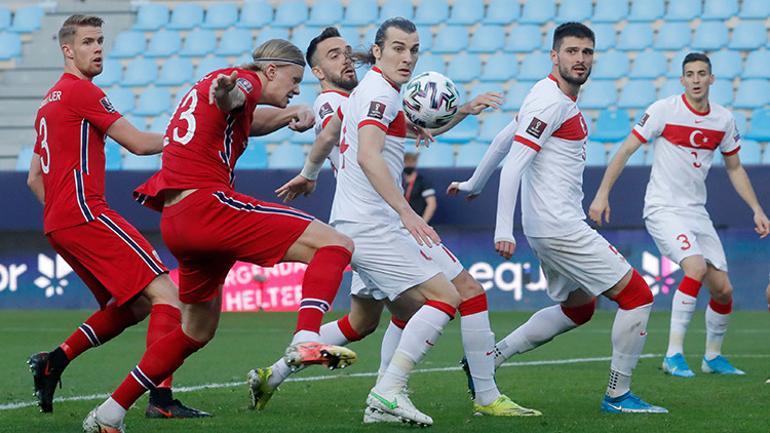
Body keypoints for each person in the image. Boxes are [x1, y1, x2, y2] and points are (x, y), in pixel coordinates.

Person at [273, 19, 539, 425]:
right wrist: (406, 210)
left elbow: (406, 130)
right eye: (398, 48)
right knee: (443, 299)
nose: (408, 57)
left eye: (413, 49)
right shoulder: (372, 94)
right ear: (378, 52)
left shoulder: (378, 93)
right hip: (373, 221)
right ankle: (388, 391)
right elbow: (365, 155)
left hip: (376, 218)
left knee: (454, 296)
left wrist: (463, 110)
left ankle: (470, 395)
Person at [83, 39, 356, 433]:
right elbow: (234, 95)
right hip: (208, 206)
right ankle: (306, 337)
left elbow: (243, 116)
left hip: (178, 219)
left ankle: (109, 413)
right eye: (295, 80)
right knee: (335, 244)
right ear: (271, 70)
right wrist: (230, 89)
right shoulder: (240, 81)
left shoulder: (223, 91)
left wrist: (286, 114)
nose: (297, 88)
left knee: (196, 330)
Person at [453, 22, 668, 414]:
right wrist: (503, 229)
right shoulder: (551, 101)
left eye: (587, 52)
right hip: (560, 227)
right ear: (555, 56)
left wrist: (473, 182)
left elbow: (504, 139)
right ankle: (618, 396)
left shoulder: (546, 93)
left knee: (580, 308)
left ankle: (488, 359)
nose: (580, 59)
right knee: (638, 297)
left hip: (549, 227)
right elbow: (515, 164)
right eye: (572, 51)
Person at [26, 14, 208, 419]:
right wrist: (192, 134)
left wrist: (62, 214)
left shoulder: (47, 103)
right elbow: (140, 145)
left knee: (138, 305)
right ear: (67, 50)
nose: (98, 49)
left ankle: (54, 360)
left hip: (60, 223)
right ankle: (160, 399)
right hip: (87, 212)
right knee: (168, 297)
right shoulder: (82, 92)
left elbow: (34, 178)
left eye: (101, 41)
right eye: (89, 42)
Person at [589, 52, 770, 378]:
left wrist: (757, 209)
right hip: (662, 207)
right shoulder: (663, 110)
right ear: (683, 79)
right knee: (695, 266)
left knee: (723, 290)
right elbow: (627, 149)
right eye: (690, 74)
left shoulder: (723, 120)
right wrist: (602, 194)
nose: (697, 79)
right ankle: (673, 355)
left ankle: (712, 358)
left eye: (702, 73)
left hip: (696, 213)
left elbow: (735, 168)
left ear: (711, 79)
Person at [403, 152, 437, 223]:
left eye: (411, 162)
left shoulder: (423, 182)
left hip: (417, 222)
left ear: (415, 163)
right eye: (406, 162)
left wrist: (422, 223)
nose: (408, 164)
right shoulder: (399, 181)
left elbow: (432, 204)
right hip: (401, 223)